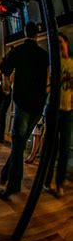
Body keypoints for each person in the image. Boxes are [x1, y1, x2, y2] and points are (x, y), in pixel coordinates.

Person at [0, 22, 49, 200]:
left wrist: (7, 86)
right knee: (19, 145)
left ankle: (13, 185)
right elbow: (50, 80)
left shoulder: (18, 51)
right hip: (38, 106)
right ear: (37, 34)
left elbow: (4, 68)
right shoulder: (45, 55)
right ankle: (5, 173)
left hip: (23, 104)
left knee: (18, 144)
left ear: (25, 33)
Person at [44, 32, 72, 198]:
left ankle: (59, 183)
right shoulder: (53, 64)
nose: (60, 45)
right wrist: (56, 82)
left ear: (67, 43)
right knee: (51, 149)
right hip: (53, 110)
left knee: (64, 149)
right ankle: (47, 181)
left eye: (62, 41)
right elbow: (47, 88)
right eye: (57, 43)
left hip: (68, 112)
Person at [0, 69, 12, 143]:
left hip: (7, 92)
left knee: (2, 114)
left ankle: (1, 137)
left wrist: (6, 77)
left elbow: (10, 82)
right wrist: (1, 71)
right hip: (0, 92)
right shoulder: (2, 70)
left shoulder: (12, 70)